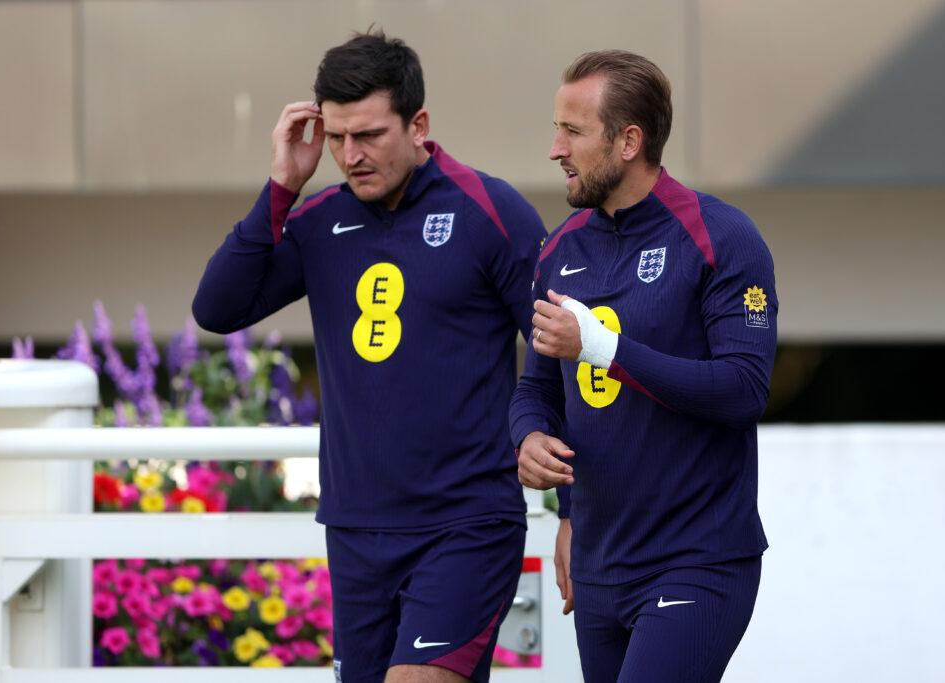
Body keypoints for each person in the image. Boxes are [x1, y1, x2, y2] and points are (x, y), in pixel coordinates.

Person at [193, 29, 546, 683]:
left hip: (468, 522)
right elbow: (217, 308)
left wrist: (571, 506)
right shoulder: (318, 221)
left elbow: (558, 356)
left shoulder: (490, 211)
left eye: (369, 135)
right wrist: (281, 186)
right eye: (336, 137)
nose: (350, 155)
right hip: (356, 529)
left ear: (419, 125)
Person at [509, 49, 777, 683]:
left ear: (629, 141)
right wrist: (529, 438)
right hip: (598, 568)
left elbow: (744, 390)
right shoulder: (559, 249)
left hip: (697, 560)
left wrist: (603, 348)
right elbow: (538, 390)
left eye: (572, 132)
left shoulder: (722, 236)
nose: (555, 150)